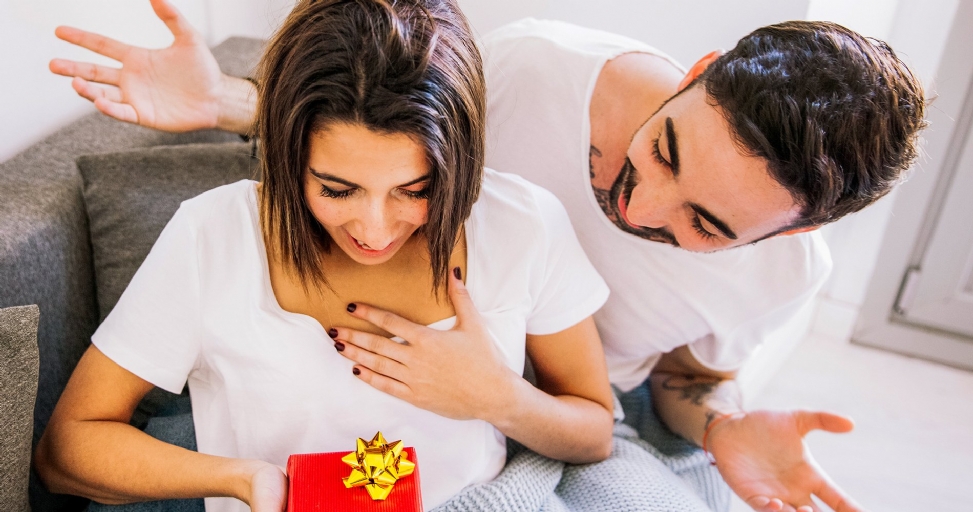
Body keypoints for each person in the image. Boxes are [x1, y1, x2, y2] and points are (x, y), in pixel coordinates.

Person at [46, 1, 927, 511]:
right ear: (694, 72)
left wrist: (721, 427)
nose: (636, 205)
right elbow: (366, 114)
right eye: (663, 152)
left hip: (551, 425)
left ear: (791, 233)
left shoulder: (523, 225)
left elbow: (647, 403)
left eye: (705, 224)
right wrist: (235, 100)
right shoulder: (527, 68)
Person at [33, 1, 619, 511]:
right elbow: (65, 450)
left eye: (414, 190)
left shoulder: (524, 222)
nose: (375, 228)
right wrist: (245, 480)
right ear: (289, 157)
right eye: (337, 190)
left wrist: (499, 397)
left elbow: (595, 433)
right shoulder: (214, 235)